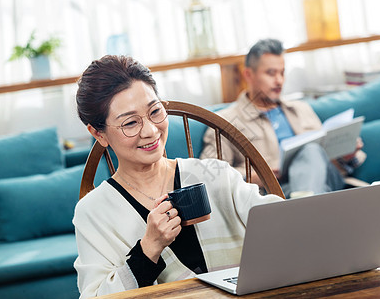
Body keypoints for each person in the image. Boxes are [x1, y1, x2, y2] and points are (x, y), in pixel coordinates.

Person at [73, 55, 283, 298]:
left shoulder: (214, 175)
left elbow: (280, 223)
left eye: (155, 111)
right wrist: (148, 248)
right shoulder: (94, 212)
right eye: (130, 123)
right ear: (98, 134)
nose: (151, 131)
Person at [200, 39, 365, 197]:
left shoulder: (301, 109)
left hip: (323, 184)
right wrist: (260, 176)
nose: (279, 80)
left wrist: (345, 157)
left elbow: (323, 164)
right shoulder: (226, 122)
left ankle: (305, 213)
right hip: (275, 194)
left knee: (311, 151)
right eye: (271, 73)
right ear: (248, 75)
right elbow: (209, 176)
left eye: (282, 73)